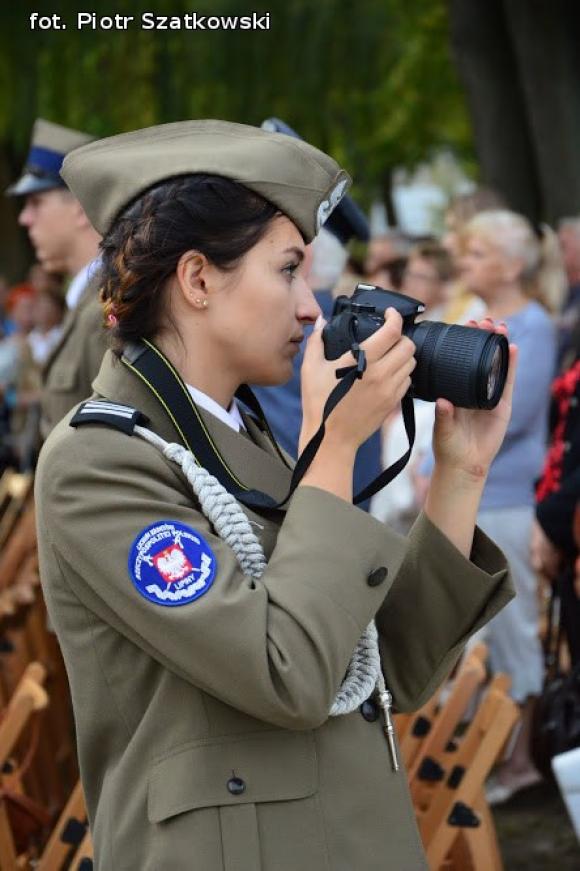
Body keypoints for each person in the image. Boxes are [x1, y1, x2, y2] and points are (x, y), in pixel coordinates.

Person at [35, 120, 515, 871]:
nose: (309, 309)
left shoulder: (243, 436)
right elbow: (284, 673)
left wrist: (462, 470)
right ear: (197, 280)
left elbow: (391, 665)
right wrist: (337, 446)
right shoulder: (97, 461)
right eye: (288, 269)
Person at [419, 209, 557, 803]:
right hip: (470, 495)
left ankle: (523, 760)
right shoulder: (473, 320)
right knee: (478, 634)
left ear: (513, 264)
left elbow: (513, 413)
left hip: (503, 499)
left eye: (477, 255)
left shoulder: (534, 327)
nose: (465, 265)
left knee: (515, 631)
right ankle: (495, 755)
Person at [6, 118, 107, 435]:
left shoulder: (107, 310)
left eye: (36, 202)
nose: (24, 218)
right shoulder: (86, 302)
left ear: (80, 206)